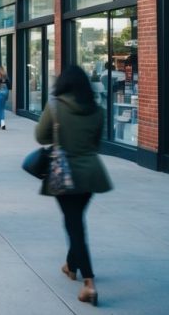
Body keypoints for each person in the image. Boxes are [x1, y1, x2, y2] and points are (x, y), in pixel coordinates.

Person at [35, 65, 112, 307]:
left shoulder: (56, 106)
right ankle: (71, 265)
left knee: (74, 223)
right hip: (91, 173)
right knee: (75, 218)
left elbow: (41, 136)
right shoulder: (97, 110)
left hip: (63, 173)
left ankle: (89, 282)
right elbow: (97, 142)